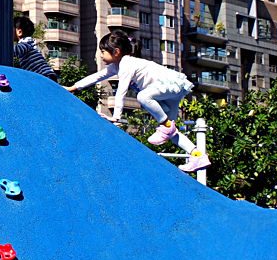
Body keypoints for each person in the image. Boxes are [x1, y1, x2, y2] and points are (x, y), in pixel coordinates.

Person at [67, 29, 208, 173]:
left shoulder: (126, 64)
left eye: (103, 51)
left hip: (171, 84)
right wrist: (74, 87)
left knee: (143, 97)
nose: (101, 55)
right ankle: (197, 155)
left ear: (116, 51)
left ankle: (165, 125)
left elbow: (121, 91)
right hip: (172, 92)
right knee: (171, 133)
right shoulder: (116, 66)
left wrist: (116, 116)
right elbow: (97, 76)